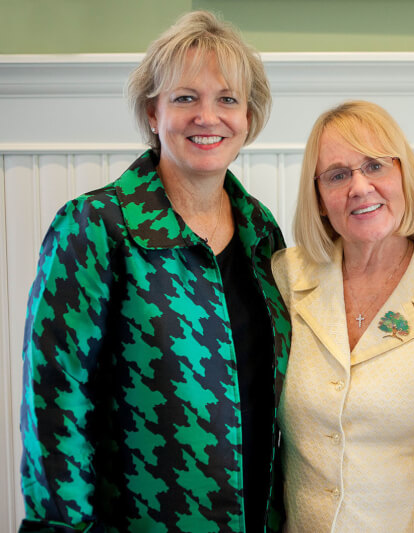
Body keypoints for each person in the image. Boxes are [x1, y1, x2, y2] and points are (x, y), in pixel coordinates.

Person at [19, 11, 290, 532]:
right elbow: (55, 402)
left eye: (227, 99)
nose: (207, 117)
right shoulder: (96, 227)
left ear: (249, 118)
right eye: (185, 97)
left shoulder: (261, 231)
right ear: (152, 112)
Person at [271, 100, 414, 532]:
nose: (359, 186)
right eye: (337, 175)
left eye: (375, 166)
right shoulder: (285, 279)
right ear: (319, 199)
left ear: (404, 176)